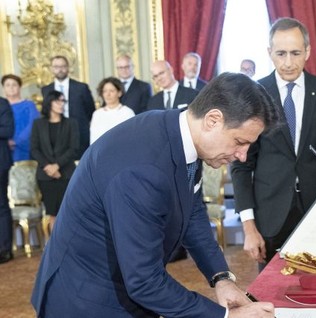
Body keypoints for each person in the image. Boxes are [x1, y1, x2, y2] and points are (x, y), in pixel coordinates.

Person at [31, 73, 279, 317]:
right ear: (213, 120)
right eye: (239, 141)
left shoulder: (181, 135)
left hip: (122, 287)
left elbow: (191, 212)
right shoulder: (142, 169)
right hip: (87, 299)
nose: (243, 155)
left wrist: (221, 278)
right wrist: (225, 317)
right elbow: (144, 282)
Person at [231, 18, 316, 267]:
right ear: (269, 53)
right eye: (281, 53)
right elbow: (242, 166)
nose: (288, 62)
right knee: (272, 296)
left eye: (295, 53)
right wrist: (249, 227)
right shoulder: (255, 94)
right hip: (269, 218)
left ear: (307, 51)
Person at [30, 91, 79, 232]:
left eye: (63, 101)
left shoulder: (71, 123)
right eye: (58, 101)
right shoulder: (38, 124)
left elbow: (73, 148)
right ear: (49, 103)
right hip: (45, 176)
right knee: (52, 213)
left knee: (68, 212)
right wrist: (49, 167)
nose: (61, 104)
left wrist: (57, 166)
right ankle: (54, 249)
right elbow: (34, 149)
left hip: (66, 174)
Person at [41, 55, 95, 158]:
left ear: (68, 68)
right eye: (56, 67)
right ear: (52, 69)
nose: (60, 69)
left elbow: (90, 111)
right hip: (55, 135)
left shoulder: (81, 88)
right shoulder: (46, 90)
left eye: (63, 66)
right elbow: (46, 112)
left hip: (79, 134)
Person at [2, 74, 39, 161]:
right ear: (3, 88)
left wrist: (16, 141)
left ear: (19, 87)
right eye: (7, 85)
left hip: (24, 148)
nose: (11, 88)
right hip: (3, 148)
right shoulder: (1, 106)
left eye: (14, 85)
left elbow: (32, 125)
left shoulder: (29, 105)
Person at [90, 77, 135, 145]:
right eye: (105, 91)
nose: (108, 94)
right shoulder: (97, 114)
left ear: (119, 93)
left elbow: (132, 136)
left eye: (111, 91)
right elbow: (93, 139)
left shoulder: (127, 112)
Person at [0, 96, 14, 264]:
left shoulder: (2, 103)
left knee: (1, 205)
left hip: (0, 162)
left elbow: (7, 130)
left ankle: (4, 249)